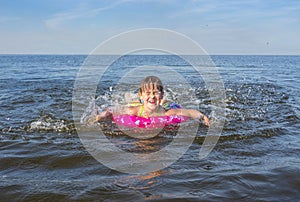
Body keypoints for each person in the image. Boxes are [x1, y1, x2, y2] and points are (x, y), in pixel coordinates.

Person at [96, 76, 210, 126]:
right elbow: (113, 110)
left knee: (166, 103)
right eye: (148, 93)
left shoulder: (168, 113)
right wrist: (104, 115)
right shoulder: (133, 112)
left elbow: (190, 112)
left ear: (161, 94)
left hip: (163, 106)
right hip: (140, 106)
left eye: (156, 93)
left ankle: (165, 100)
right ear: (141, 95)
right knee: (132, 102)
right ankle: (135, 98)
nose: (152, 96)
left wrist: (203, 117)